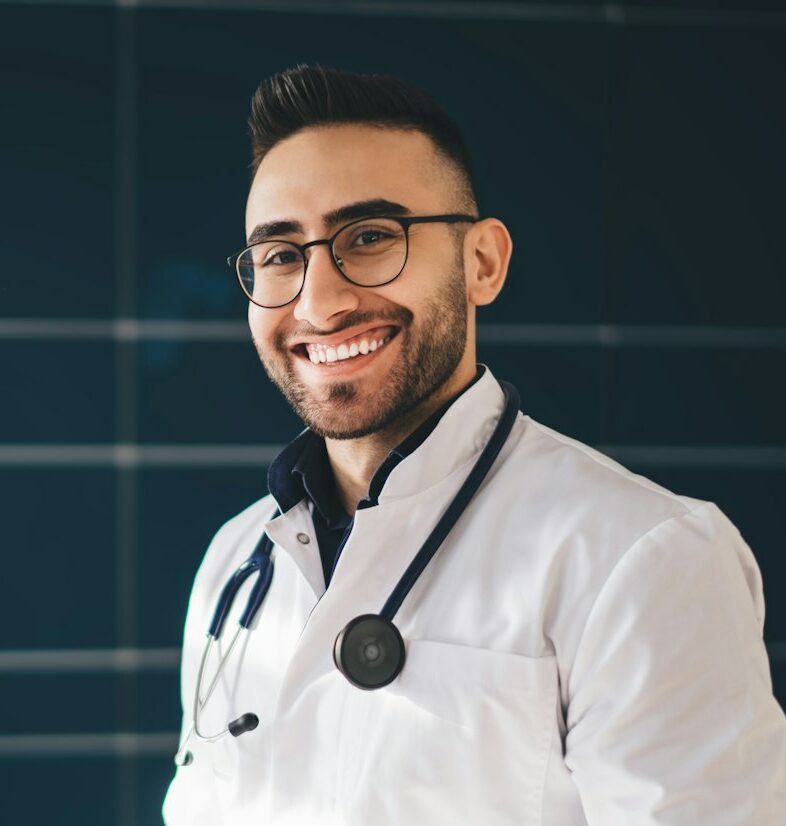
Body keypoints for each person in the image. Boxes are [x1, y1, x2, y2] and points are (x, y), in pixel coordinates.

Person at [163, 64, 786, 825]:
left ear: (482, 262)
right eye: (282, 255)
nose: (319, 302)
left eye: (368, 237)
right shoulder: (235, 565)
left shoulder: (643, 558)